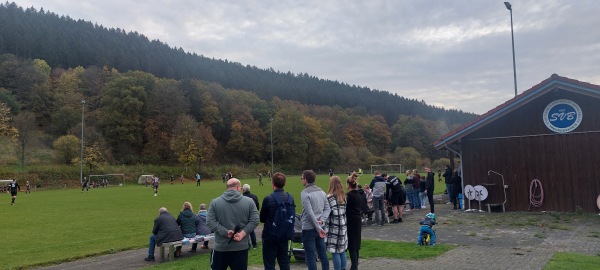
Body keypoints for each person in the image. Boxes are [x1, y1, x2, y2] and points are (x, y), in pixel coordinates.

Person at [206, 178, 259, 270]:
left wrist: (225, 232)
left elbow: (210, 221)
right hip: (240, 248)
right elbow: (255, 220)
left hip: (221, 247)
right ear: (238, 187)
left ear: (227, 188)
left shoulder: (215, 202)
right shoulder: (249, 202)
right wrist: (242, 234)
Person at [260, 172, 295, 270]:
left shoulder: (268, 198)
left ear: (273, 184)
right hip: (284, 235)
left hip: (270, 236)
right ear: (284, 183)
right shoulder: (290, 198)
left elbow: (262, 218)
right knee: (284, 263)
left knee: (269, 264)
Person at [300, 170, 330, 270]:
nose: (301, 180)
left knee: (310, 257)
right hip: (320, 228)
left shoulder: (304, 193)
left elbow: (309, 213)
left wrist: (319, 226)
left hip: (309, 228)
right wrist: (322, 221)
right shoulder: (322, 192)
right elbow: (327, 208)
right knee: (322, 254)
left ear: (306, 180)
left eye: (302, 178)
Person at [326, 175, 348, 270]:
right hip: (343, 225)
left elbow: (327, 214)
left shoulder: (329, 198)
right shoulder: (343, 197)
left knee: (335, 251)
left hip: (334, 226)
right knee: (342, 250)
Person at [346, 173, 362, 270]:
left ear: (348, 184)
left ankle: (354, 266)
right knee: (356, 243)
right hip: (358, 220)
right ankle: (356, 264)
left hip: (351, 220)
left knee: (351, 244)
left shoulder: (349, 196)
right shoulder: (358, 195)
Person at [242, 183, 260, 249]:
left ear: (243, 189)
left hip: (244, 216)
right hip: (252, 216)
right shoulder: (254, 196)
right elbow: (257, 207)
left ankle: (248, 245)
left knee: (245, 230)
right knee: (251, 230)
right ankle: (254, 244)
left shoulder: (241, 197)